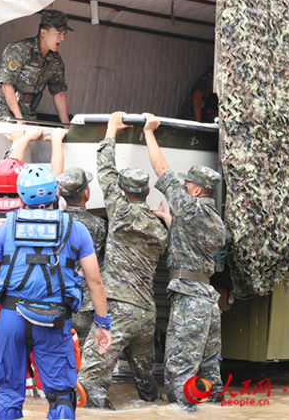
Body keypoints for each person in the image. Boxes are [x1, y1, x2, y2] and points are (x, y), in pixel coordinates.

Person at [0, 164, 111, 420]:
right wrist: (103, 324)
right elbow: (95, 282)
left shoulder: (5, 228)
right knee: (60, 394)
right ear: (55, 192)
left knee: (8, 392)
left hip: (11, 319)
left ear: (21, 196)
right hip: (53, 320)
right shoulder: (75, 229)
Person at [77, 112, 168, 408]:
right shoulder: (160, 228)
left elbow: (106, 173)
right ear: (147, 192)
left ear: (125, 193)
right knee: (146, 382)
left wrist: (111, 132)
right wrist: (168, 219)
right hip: (146, 315)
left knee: (89, 380)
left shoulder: (121, 213)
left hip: (119, 311)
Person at [142, 113, 226, 407]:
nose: (185, 186)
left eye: (188, 184)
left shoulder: (190, 210)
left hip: (189, 301)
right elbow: (192, 247)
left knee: (179, 376)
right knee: (209, 376)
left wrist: (149, 132)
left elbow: (162, 171)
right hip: (207, 301)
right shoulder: (213, 221)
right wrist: (170, 220)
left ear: (198, 190)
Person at [0, 9, 72, 124]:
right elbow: (7, 86)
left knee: (35, 137)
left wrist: (67, 126)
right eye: (58, 34)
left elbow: (59, 93)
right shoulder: (20, 50)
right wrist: (19, 119)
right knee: (16, 135)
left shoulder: (55, 60)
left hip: (28, 110)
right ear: (43, 33)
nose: (62, 39)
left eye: (64, 35)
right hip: (5, 108)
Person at [56, 167, 107, 347]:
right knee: (83, 352)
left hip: (58, 299)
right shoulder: (98, 225)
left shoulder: (55, 223)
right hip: (86, 302)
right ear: (86, 193)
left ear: (60, 193)